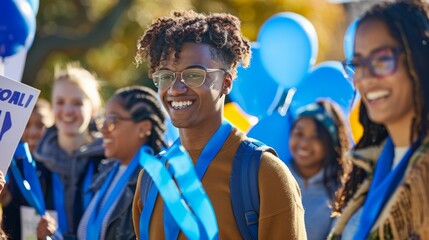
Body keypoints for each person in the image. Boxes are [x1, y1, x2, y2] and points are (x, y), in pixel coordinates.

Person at [132, 10, 306, 239]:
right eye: (165, 76)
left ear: (226, 83)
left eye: (193, 75)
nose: (175, 89)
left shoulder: (264, 174)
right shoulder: (151, 177)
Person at [330, 0, 429, 238]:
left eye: (382, 59)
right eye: (359, 63)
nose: (365, 77)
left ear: (418, 57)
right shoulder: (374, 166)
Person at [77, 85, 168, 240]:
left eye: (112, 120)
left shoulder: (155, 182)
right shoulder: (106, 172)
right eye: (103, 119)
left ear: (143, 128)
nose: (103, 129)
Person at [34, 63, 105, 239]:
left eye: (77, 103)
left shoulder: (109, 161)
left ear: (93, 110)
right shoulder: (33, 163)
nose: (67, 110)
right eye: (60, 102)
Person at [288, 99, 351, 240]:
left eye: (315, 137)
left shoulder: (341, 192)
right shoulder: (270, 175)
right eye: (299, 134)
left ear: (330, 142)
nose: (304, 144)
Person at [1, 98, 55, 240]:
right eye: (26, 125)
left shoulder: (57, 167)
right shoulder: (9, 166)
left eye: (40, 125)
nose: (32, 132)